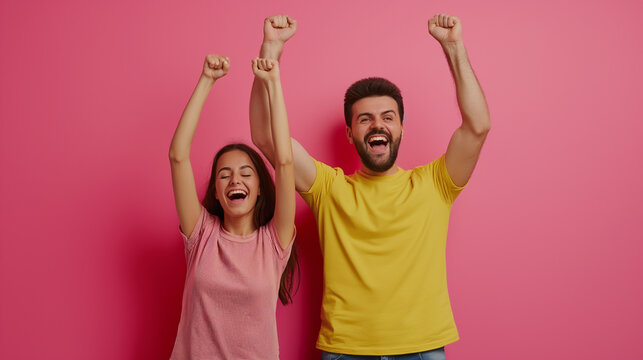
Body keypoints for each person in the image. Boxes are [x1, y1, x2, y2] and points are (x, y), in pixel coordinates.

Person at [250, 14, 490, 359]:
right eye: (365, 119)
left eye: (388, 117)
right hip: (345, 350)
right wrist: (270, 49)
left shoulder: (435, 183)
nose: (378, 125)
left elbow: (477, 126)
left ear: (402, 128)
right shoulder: (329, 188)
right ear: (350, 133)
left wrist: (454, 48)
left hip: (421, 349)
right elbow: (265, 137)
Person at [168, 53, 296, 359]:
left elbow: (285, 160)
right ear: (216, 189)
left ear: (260, 190)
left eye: (245, 173)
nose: (234, 180)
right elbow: (177, 156)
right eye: (224, 175)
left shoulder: (274, 242)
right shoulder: (201, 235)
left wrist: (274, 83)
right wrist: (206, 80)